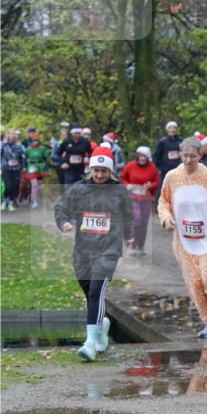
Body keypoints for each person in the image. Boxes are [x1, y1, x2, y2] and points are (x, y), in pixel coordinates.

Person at [54, 148, 134, 361]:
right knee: (90, 292)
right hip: (84, 251)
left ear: (110, 172)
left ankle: (90, 343)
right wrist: (65, 223)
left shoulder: (118, 190)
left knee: (96, 292)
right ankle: (102, 328)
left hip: (109, 250)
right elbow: (61, 207)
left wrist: (129, 235)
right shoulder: (79, 189)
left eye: (104, 171)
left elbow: (128, 214)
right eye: (96, 171)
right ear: (91, 170)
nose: (99, 175)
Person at [157, 137, 207, 338]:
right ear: (179, 154)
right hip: (184, 241)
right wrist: (166, 218)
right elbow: (163, 202)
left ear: (200, 155)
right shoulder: (172, 176)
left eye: (192, 156)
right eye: (184, 156)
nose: (187, 160)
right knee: (195, 283)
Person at [119, 146, 160, 255]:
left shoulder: (152, 168)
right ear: (137, 156)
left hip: (146, 198)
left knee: (144, 223)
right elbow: (122, 177)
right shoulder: (130, 166)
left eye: (144, 156)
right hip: (133, 197)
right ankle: (133, 245)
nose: (142, 158)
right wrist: (127, 185)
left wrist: (151, 185)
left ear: (147, 157)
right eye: (140, 156)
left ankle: (140, 246)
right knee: (136, 220)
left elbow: (157, 182)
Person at [2, 130, 27, 211]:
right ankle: (5, 200)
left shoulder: (19, 146)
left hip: (16, 168)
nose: (12, 136)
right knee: (8, 186)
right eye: (10, 134)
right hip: (6, 168)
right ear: (7, 135)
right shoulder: (3, 145)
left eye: (13, 134)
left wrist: (24, 166)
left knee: (15, 187)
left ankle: (11, 202)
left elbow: (23, 157)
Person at [23, 135, 49, 209]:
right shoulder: (28, 149)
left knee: (39, 185)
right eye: (33, 141)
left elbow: (46, 159)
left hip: (41, 167)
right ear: (31, 142)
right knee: (34, 184)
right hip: (31, 167)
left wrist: (46, 169)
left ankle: (35, 197)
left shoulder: (42, 149)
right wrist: (24, 167)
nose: (35, 142)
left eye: (36, 141)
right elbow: (24, 159)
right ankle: (34, 201)